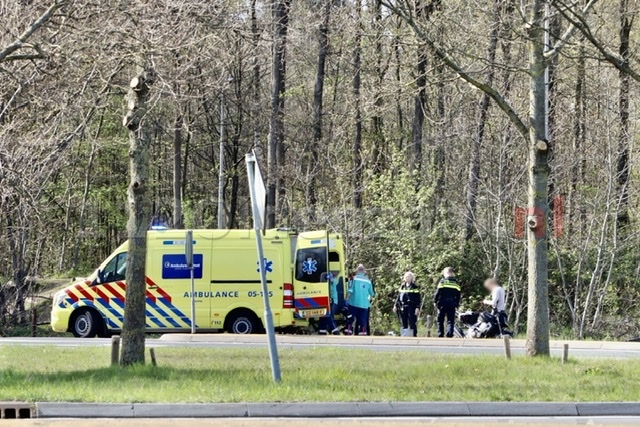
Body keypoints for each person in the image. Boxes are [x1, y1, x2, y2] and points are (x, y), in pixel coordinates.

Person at [346, 264, 375, 336]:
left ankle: (348, 332)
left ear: (357, 270)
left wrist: (346, 299)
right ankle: (363, 334)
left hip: (353, 303)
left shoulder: (353, 278)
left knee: (350, 319)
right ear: (364, 271)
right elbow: (372, 294)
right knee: (363, 322)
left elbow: (350, 290)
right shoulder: (368, 281)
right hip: (364, 305)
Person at [434, 267, 461, 338]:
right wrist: (457, 303)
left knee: (440, 320)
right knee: (450, 320)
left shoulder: (442, 281)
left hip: (442, 303)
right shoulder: (456, 282)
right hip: (452, 303)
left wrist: (435, 301)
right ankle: (450, 334)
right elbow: (458, 294)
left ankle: (441, 334)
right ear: (452, 273)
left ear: (446, 273)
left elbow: (438, 292)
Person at [393, 271, 421, 337]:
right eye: (406, 277)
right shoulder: (402, 286)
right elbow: (398, 297)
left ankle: (413, 336)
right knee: (403, 322)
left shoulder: (414, 287)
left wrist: (417, 307)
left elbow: (418, 298)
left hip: (411, 306)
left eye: (408, 277)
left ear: (412, 278)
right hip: (403, 306)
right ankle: (404, 336)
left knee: (412, 322)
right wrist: (395, 305)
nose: (407, 278)